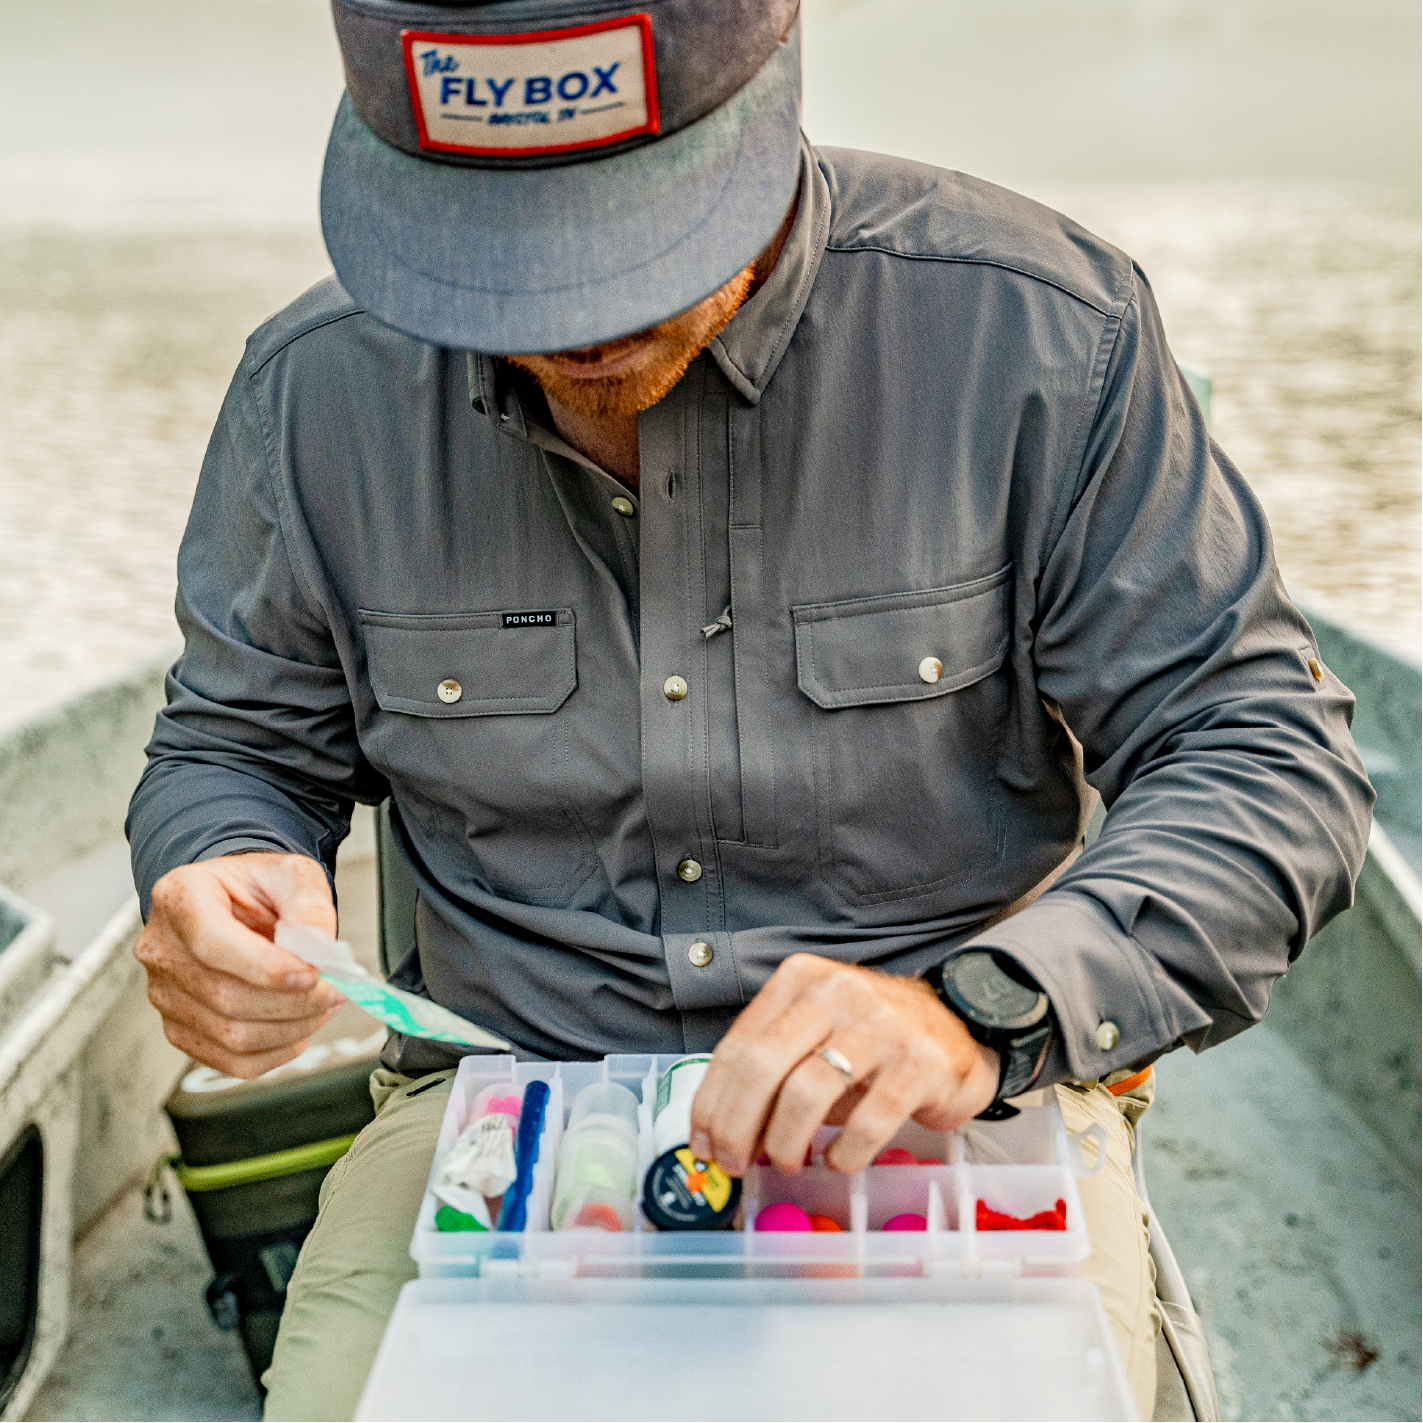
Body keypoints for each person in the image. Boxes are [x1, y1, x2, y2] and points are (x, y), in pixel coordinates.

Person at [126, 2, 1372, 1417]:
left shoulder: (1042, 334)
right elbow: (231, 746)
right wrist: (216, 857)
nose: (580, 321)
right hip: (491, 1122)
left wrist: (984, 1008)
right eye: (507, 268)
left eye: (630, 239)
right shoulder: (311, 395)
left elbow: (1263, 757)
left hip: (965, 1113)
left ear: (772, 101)